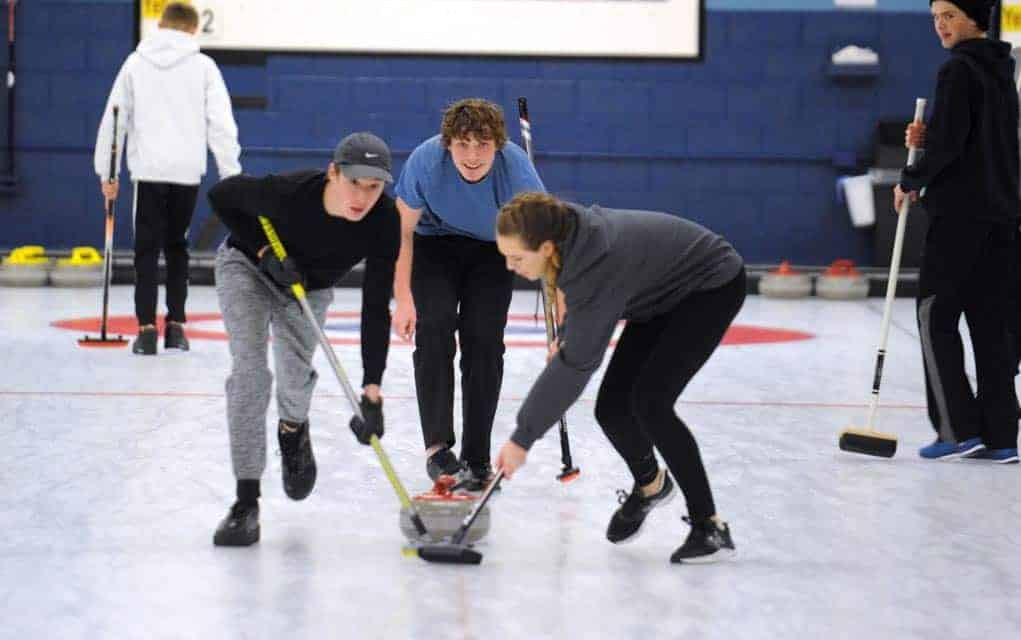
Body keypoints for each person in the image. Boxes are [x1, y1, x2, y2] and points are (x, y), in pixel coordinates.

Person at [493, 192, 745, 563]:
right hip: (658, 293)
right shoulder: (565, 237)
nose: (511, 266)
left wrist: (522, 438)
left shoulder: (596, 260)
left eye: (517, 258)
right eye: (505, 257)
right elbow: (577, 302)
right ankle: (651, 485)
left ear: (545, 248)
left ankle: (709, 525)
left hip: (709, 286)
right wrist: (568, 332)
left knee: (651, 403)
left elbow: (577, 365)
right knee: (611, 408)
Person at [207, 132, 398, 546]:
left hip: (308, 288)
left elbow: (375, 305)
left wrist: (372, 389)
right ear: (333, 173)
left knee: (295, 379)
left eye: (374, 186)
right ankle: (246, 502)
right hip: (247, 269)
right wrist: (263, 252)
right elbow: (222, 194)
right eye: (354, 183)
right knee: (251, 372)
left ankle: (292, 430)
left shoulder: (384, 220)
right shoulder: (290, 193)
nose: (362, 197)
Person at [391, 98, 545, 489]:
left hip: (492, 251)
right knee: (435, 326)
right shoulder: (426, 162)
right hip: (434, 244)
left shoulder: (517, 171)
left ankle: (476, 458)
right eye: (463, 144)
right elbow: (401, 233)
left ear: (499, 145)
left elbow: (549, 237)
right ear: (447, 144)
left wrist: (559, 301)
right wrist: (404, 299)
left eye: (483, 145)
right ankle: (438, 450)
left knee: (484, 342)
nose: (473, 155)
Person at [897, 0, 1019, 464]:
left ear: (974, 17)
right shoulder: (1001, 68)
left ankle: (957, 429)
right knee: (991, 325)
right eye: (934, 18)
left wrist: (911, 179)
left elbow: (950, 143)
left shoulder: (957, 71)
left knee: (935, 316)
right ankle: (1001, 434)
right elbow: (974, 141)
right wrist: (925, 142)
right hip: (1003, 218)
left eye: (949, 15)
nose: (940, 26)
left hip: (960, 219)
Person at [94, 1, 241, 355]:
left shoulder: (135, 63)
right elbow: (220, 122)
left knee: (146, 250)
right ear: (193, 29)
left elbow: (115, 118)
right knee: (177, 248)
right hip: (186, 173)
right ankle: (176, 327)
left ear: (161, 25)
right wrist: (231, 173)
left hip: (147, 171)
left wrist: (107, 172)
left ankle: (145, 331)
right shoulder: (204, 67)